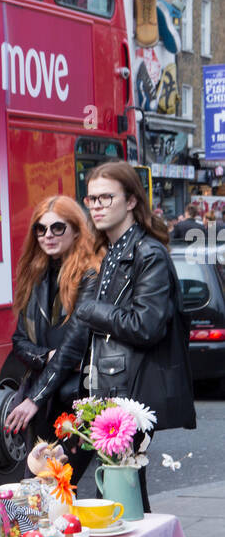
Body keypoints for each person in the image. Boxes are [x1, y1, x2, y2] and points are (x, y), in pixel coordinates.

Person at [73, 161, 195, 507]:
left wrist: (91, 310)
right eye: (92, 199)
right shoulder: (108, 252)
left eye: (106, 198)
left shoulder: (148, 253)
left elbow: (147, 325)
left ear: (131, 202)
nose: (96, 206)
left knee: (119, 497)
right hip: (106, 388)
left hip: (132, 390)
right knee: (117, 494)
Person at [4, 195, 101, 449]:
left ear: (77, 231)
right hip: (45, 399)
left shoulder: (89, 275)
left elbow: (74, 346)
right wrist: (47, 357)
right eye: (41, 228)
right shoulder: (34, 275)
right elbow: (19, 342)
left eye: (58, 227)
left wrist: (34, 399)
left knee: (59, 480)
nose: (48, 235)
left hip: (75, 399)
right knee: (43, 481)